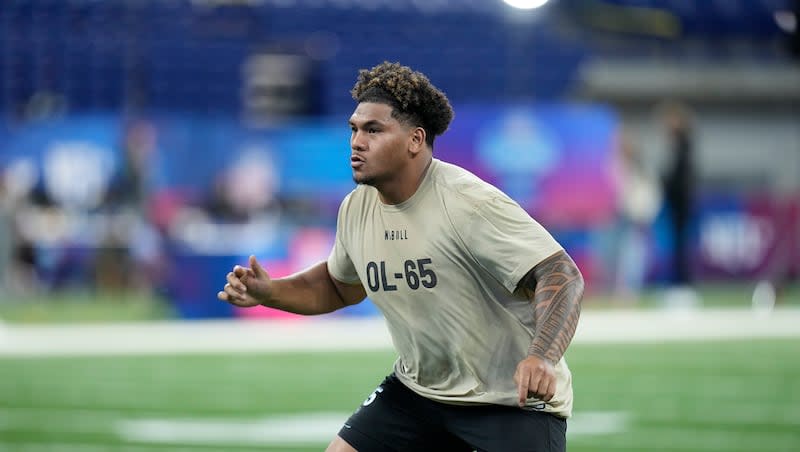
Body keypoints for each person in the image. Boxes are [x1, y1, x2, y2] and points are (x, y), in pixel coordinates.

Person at [218, 62, 584, 452]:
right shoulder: (356, 207)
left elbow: (560, 274)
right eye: (354, 129)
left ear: (415, 140)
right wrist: (269, 291)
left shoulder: (467, 203)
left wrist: (543, 357)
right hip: (418, 395)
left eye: (373, 130)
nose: (357, 141)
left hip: (510, 401)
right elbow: (338, 287)